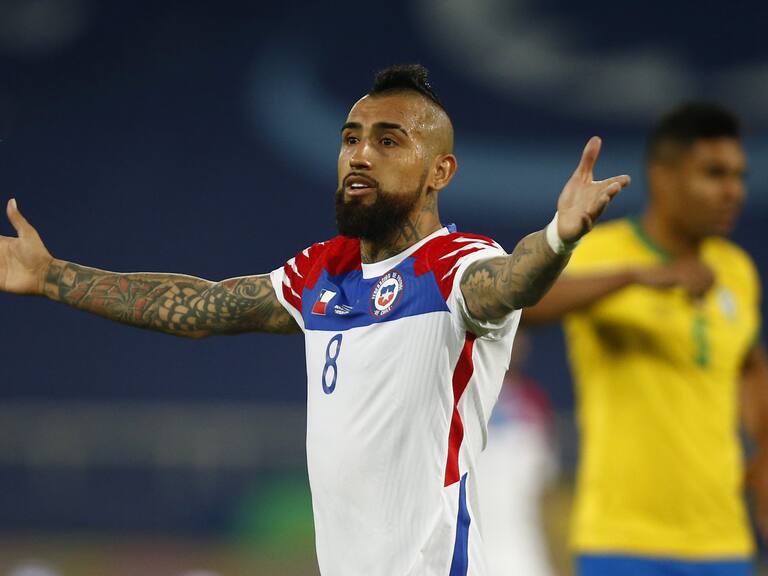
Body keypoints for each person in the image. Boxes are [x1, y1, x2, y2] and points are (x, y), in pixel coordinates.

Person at [0, 64, 630, 575]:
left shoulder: (454, 266)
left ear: (441, 171)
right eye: (351, 139)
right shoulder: (319, 273)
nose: (360, 155)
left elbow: (512, 281)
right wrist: (52, 276)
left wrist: (558, 237)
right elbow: (201, 306)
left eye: (388, 141)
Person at [524, 103, 768, 576]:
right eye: (714, 174)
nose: (732, 191)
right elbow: (523, 305)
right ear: (664, 177)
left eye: (739, 176)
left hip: (722, 542)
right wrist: (634, 277)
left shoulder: (736, 269)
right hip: (621, 540)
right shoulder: (603, 252)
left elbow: (748, 363)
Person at [477, 330, 560, 576]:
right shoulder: (458, 395)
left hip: (523, 552)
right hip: (473, 546)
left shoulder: (533, 403)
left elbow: (544, 490)